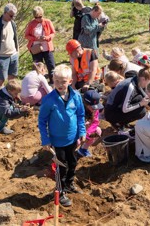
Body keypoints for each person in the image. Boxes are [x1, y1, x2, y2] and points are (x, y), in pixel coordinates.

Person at [38, 64, 86, 207]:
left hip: (72, 138)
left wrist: (82, 131)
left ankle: (69, 184)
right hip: (57, 141)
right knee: (61, 167)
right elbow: (42, 121)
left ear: (70, 81)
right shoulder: (49, 100)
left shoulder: (76, 96)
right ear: (52, 80)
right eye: (56, 81)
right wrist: (45, 139)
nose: (59, 84)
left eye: (63, 81)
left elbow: (80, 115)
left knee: (72, 163)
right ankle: (60, 191)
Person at [24, 6, 56, 84]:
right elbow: (26, 35)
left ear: (43, 15)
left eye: (40, 17)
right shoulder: (31, 24)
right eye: (36, 17)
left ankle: (53, 82)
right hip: (36, 48)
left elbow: (53, 33)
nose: (38, 19)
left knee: (51, 65)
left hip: (47, 48)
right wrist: (36, 39)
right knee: (38, 67)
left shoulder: (47, 22)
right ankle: (39, 83)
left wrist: (47, 38)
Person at [77, 90, 104, 157]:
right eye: (92, 107)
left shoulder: (95, 110)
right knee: (77, 142)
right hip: (76, 130)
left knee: (98, 131)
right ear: (85, 104)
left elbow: (95, 122)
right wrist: (82, 131)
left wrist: (88, 132)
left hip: (86, 129)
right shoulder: (77, 109)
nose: (95, 109)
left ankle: (83, 149)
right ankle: (68, 154)